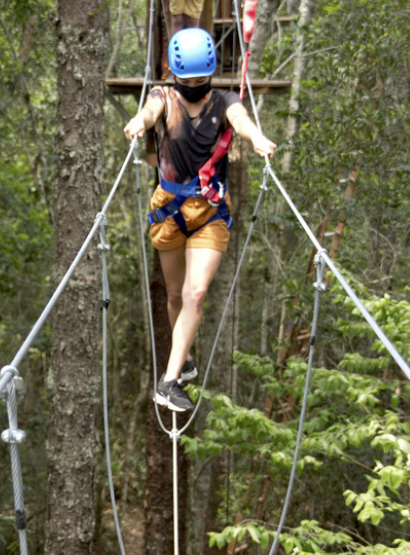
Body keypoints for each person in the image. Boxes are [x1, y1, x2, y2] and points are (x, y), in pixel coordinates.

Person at [123, 28, 276, 412]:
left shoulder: (223, 100)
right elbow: (150, 111)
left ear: (209, 74)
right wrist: (140, 122)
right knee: (175, 295)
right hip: (169, 211)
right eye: (186, 79)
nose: (192, 85)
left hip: (210, 213)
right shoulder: (164, 97)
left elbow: (240, 119)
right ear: (175, 74)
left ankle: (169, 381)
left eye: (199, 79)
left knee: (195, 293)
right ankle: (184, 356)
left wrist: (255, 138)